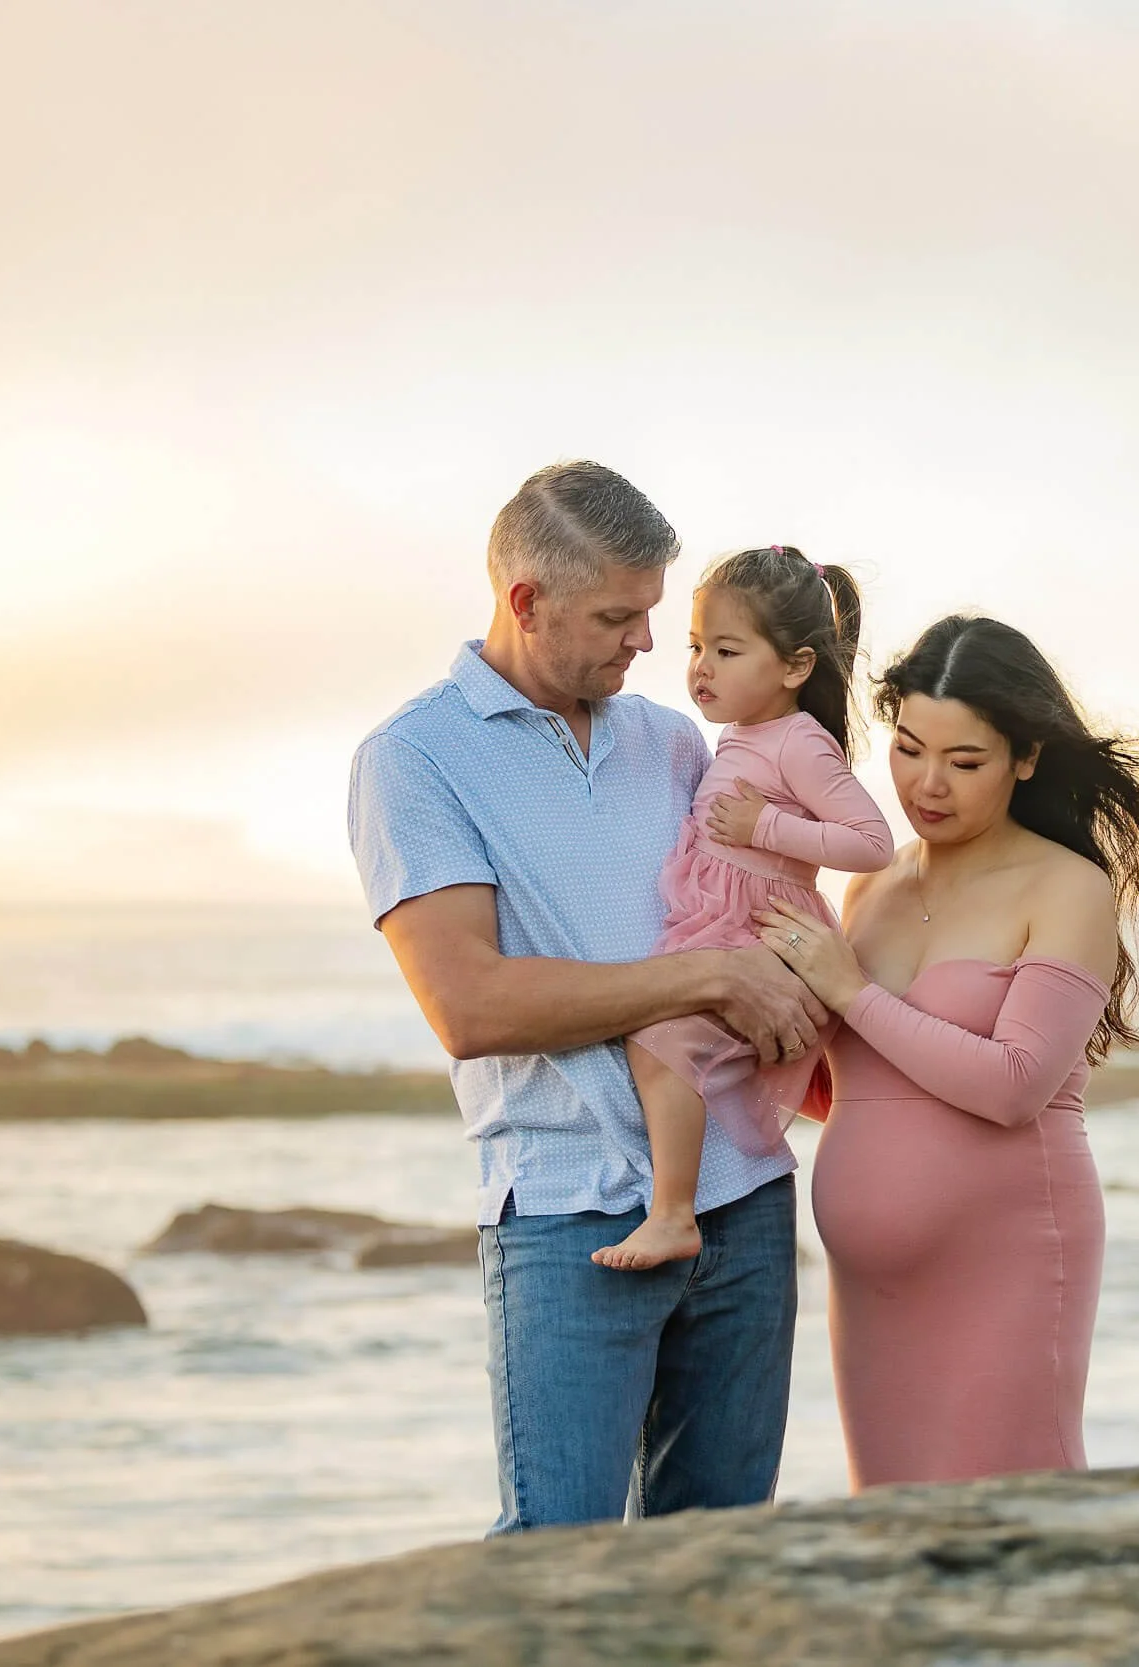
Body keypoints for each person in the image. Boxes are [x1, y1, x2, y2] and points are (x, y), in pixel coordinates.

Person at [347, 461, 823, 1533]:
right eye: (618, 614)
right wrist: (705, 975)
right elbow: (470, 1004)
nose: (647, 644)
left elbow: (754, 905)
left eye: (652, 612)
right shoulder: (414, 758)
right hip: (569, 1216)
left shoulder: (670, 740)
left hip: (742, 1196)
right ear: (526, 600)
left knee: (720, 1558)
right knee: (556, 1563)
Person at [757, 613, 1139, 1488]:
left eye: (965, 762)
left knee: (1014, 1528)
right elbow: (861, 1080)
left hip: (1005, 1258)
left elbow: (1014, 1084)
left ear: (1025, 758)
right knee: (899, 1533)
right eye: (910, 748)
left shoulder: (1067, 888)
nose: (928, 784)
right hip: (871, 1280)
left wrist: (848, 989)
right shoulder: (871, 883)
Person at [593, 545, 894, 1273]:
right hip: (725, 923)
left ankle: (673, 1213)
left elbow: (873, 841)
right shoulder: (740, 734)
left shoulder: (799, 741)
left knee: (660, 1039)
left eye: (726, 650)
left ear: (794, 667)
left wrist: (765, 828)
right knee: (663, 1040)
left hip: (760, 932)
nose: (701, 666)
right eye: (697, 646)